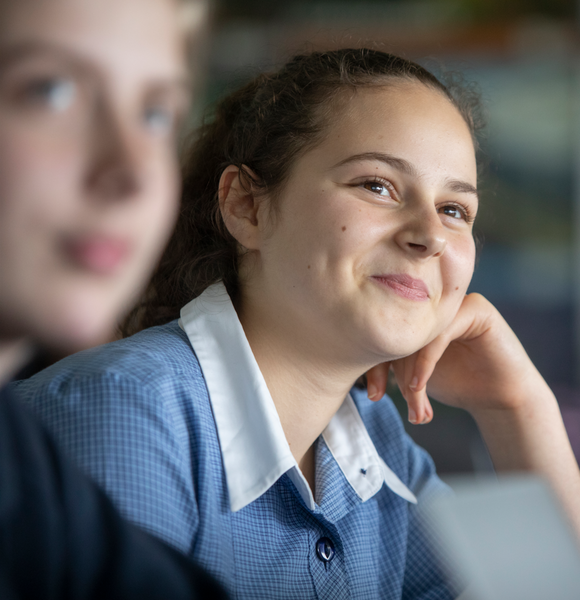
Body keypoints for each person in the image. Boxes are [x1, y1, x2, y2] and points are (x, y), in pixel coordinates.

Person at [15, 48, 580, 599]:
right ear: (247, 207)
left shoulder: (377, 444)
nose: (430, 236)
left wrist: (518, 407)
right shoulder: (121, 414)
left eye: (455, 210)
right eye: (376, 185)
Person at [0, 0, 227, 597]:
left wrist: (510, 407)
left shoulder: (22, 461)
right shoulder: (120, 399)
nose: (131, 170)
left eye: (156, 114)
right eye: (49, 91)